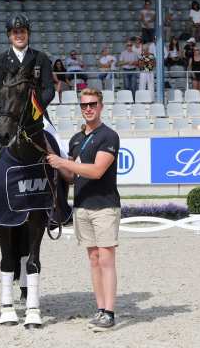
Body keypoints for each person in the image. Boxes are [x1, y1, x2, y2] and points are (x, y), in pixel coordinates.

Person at [0, 13, 60, 225]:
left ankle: (59, 205)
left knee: (60, 151)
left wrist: (35, 111)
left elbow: (48, 90)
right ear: (10, 35)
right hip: (8, 115)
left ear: (28, 34)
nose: (19, 35)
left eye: (22, 31)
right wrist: (11, 111)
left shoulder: (40, 58)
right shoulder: (0, 60)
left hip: (36, 115)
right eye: (15, 32)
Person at [46, 88, 120, 332]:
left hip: (105, 206)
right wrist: (53, 162)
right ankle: (100, 309)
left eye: (92, 104)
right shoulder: (76, 140)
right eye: (84, 105)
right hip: (82, 206)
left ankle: (109, 312)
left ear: (101, 106)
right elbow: (71, 176)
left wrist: (63, 162)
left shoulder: (108, 136)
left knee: (107, 259)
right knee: (94, 259)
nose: (88, 108)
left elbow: (97, 171)